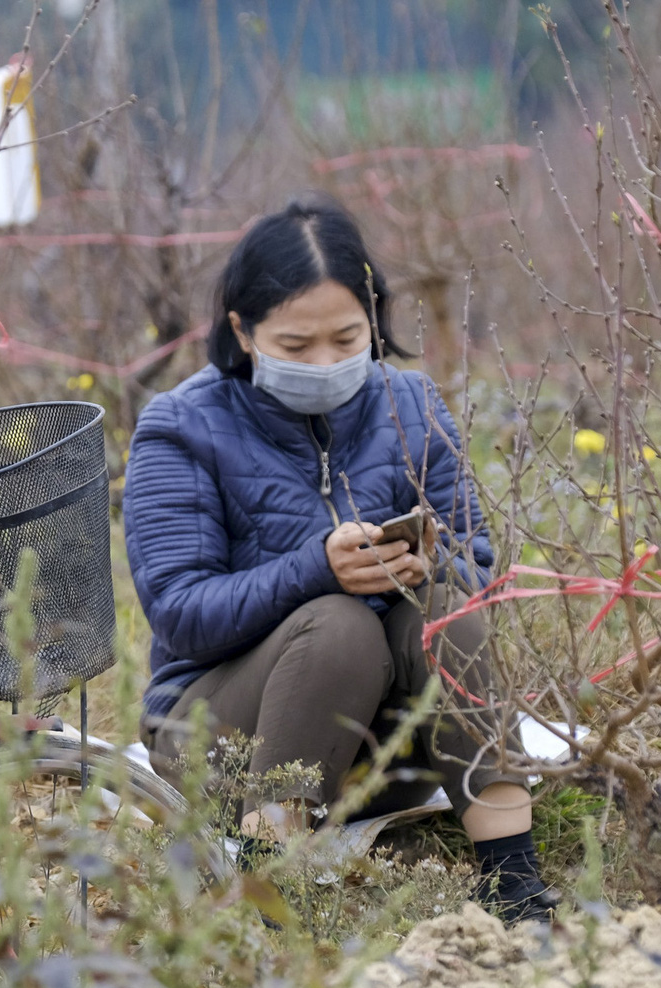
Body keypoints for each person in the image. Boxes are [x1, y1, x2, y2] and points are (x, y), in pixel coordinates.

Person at [123, 196, 556, 923]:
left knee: (448, 605)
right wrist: (314, 569)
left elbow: (480, 566)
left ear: (374, 317)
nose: (324, 362)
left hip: (383, 755)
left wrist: (427, 565)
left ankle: (516, 888)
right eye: (295, 346)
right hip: (222, 739)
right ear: (242, 330)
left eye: (346, 336)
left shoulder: (412, 403)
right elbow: (179, 612)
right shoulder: (181, 426)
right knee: (337, 624)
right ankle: (269, 903)